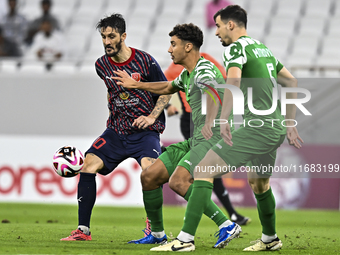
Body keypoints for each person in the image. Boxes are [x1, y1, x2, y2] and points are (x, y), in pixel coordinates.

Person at [151, 5, 304, 252]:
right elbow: (291, 81)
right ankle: (270, 239)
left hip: (257, 129)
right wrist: (289, 123)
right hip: (273, 127)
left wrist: (222, 120)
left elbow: (232, 81)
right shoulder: (262, 48)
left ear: (231, 25)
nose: (217, 32)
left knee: (202, 170)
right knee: (259, 184)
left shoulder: (236, 47)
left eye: (219, 26)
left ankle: (185, 240)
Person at [113, 23, 242, 251]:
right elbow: (167, 87)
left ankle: (193, 238)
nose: (169, 49)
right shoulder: (188, 73)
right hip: (198, 140)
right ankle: (158, 234)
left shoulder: (204, 71)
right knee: (150, 176)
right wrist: (137, 84)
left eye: (173, 44)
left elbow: (212, 91)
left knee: (178, 181)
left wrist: (211, 120)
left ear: (188, 46)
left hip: (214, 140)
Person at [60, 13, 171, 241]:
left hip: (145, 133)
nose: (107, 42)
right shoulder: (101, 65)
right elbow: (113, 92)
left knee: (150, 172)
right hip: (116, 132)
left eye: (111, 36)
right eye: (103, 37)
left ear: (123, 36)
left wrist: (151, 117)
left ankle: (154, 229)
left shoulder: (145, 61)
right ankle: (83, 230)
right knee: (88, 165)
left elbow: (166, 90)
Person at [164, 53, 251, 226]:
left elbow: (223, 82)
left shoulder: (207, 61)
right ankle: (229, 215)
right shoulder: (174, 69)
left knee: (207, 169)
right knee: (205, 169)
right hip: (190, 122)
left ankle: (226, 216)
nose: (171, 50)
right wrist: (169, 105)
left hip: (209, 120)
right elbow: (164, 89)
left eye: (175, 44)